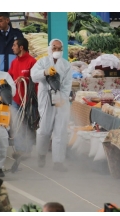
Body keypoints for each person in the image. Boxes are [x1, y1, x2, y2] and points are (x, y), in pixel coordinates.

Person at [30, 39, 72, 172]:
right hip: (45, 98)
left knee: (60, 131)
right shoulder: (42, 62)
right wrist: (45, 72)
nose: (57, 51)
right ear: (50, 49)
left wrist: (63, 98)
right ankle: (41, 154)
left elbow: (67, 84)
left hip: (60, 99)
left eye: (59, 49)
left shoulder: (66, 65)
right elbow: (33, 76)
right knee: (44, 129)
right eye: (54, 48)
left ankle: (58, 162)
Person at [8, 37, 37, 159]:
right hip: (16, 100)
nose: (12, 47)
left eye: (14, 45)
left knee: (29, 125)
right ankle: (20, 150)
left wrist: (25, 79)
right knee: (17, 124)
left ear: (21, 47)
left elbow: (36, 81)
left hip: (28, 99)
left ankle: (28, 150)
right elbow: (9, 77)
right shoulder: (14, 62)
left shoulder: (32, 62)